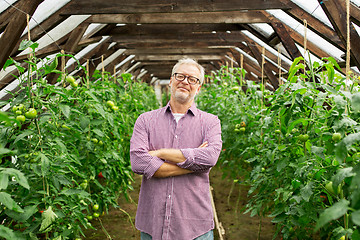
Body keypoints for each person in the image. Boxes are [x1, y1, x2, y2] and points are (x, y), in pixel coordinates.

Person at [130, 58, 222, 240]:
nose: (185, 82)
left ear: (199, 87)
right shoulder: (145, 120)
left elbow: (210, 158)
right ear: (171, 80)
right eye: (180, 76)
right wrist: (194, 164)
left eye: (193, 79)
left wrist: (161, 154)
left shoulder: (210, 122)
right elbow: (139, 162)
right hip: (153, 222)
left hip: (195, 225)